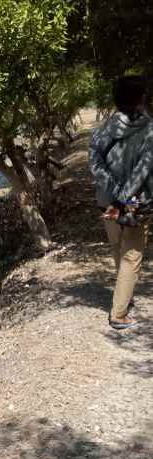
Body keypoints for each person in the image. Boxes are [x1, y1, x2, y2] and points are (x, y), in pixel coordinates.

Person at [89, 75, 152, 330]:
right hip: (135, 205)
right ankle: (118, 314)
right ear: (142, 98)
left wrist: (115, 195)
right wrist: (124, 198)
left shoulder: (103, 129)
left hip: (106, 202)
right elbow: (142, 171)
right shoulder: (149, 130)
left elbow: (95, 165)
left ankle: (124, 296)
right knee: (131, 257)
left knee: (117, 248)